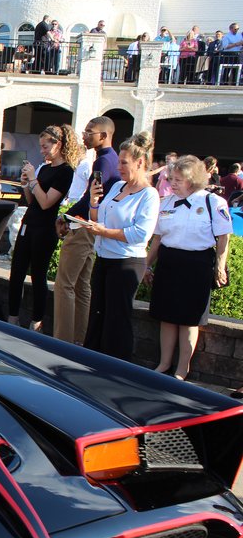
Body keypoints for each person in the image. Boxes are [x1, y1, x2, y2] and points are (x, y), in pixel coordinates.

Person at [144, 156, 232, 380]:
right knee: (167, 315)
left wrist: (220, 267)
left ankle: (182, 368)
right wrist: (146, 265)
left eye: (178, 180)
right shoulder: (166, 202)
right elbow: (158, 238)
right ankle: (164, 364)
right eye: (170, 178)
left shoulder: (213, 202)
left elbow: (223, 237)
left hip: (197, 264)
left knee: (189, 319)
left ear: (193, 180)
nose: (172, 183)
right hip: (169, 262)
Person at [82, 131, 160, 361]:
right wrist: (94, 204)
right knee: (98, 312)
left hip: (126, 263)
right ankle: (92, 360)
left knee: (118, 317)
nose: (119, 168)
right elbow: (98, 218)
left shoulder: (149, 195)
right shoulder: (117, 187)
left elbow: (140, 234)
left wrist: (104, 232)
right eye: (119, 163)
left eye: (124, 163)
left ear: (140, 162)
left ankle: (116, 365)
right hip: (104, 258)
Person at [7, 125, 80, 332]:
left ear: (58, 144)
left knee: (38, 275)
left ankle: (36, 320)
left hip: (45, 228)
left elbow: (47, 202)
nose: (42, 151)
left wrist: (33, 180)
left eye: (46, 146)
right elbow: (33, 201)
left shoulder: (65, 171)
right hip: (29, 224)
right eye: (41, 147)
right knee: (17, 271)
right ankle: (12, 317)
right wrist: (26, 184)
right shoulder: (44, 168)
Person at [53, 116, 118, 344]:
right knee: (81, 286)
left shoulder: (104, 162)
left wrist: (65, 216)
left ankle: (62, 340)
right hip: (92, 225)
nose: (84, 135)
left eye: (90, 132)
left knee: (65, 285)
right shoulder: (107, 160)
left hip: (84, 225)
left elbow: (92, 197)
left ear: (104, 136)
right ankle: (80, 340)